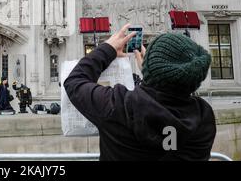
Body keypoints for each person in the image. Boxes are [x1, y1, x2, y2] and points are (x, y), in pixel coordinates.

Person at [64, 23, 216, 161]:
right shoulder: (204, 117)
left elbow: (75, 81)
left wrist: (107, 48)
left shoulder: (118, 106)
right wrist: (153, 73)